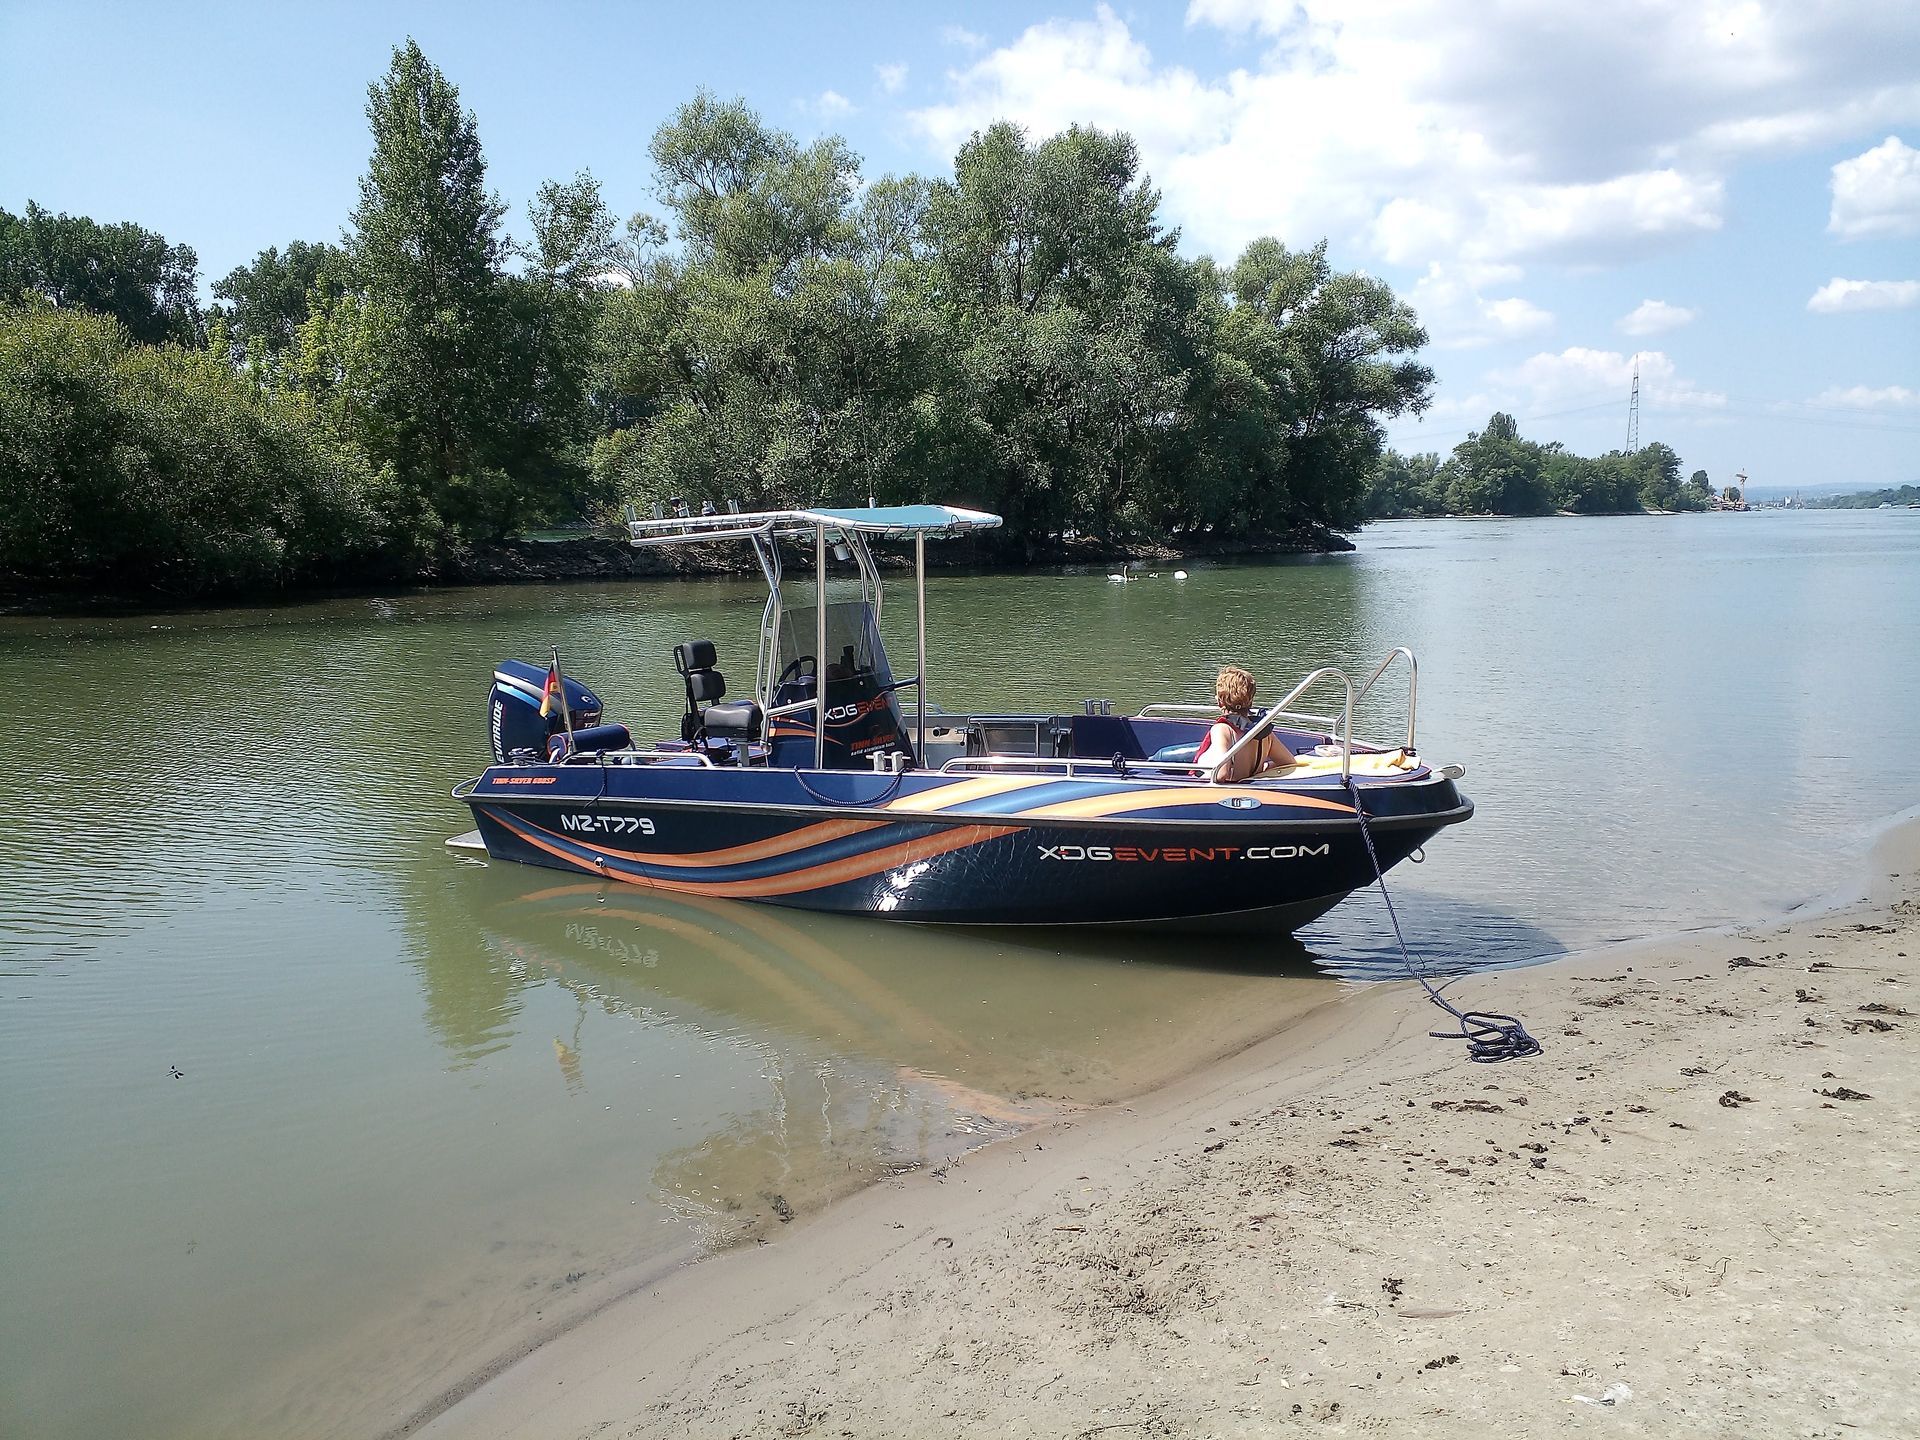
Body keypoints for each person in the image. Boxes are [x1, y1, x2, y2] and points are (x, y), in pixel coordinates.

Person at [1195, 664, 1296, 783]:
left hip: (1228, 791)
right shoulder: (1261, 731)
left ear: (1220, 701)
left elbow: (1221, 774)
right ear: (1251, 700)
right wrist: (1262, 768)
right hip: (1249, 783)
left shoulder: (1223, 729)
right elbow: (1288, 762)